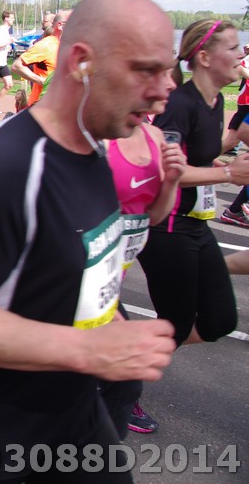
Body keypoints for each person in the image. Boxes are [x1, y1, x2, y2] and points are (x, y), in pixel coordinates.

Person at [0, 0, 177, 483]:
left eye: (168, 71)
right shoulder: (9, 168)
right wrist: (91, 350)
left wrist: (110, 319)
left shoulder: (96, 146)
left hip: (72, 409)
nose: (164, 91)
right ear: (81, 63)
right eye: (146, 70)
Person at [137, 19, 247, 347]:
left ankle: (122, 357)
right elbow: (166, 170)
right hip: (167, 228)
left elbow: (194, 155)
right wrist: (228, 174)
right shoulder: (179, 104)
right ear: (205, 58)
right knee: (177, 326)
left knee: (219, 321)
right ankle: (114, 362)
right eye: (232, 47)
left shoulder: (215, 102)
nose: (241, 54)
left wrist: (218, 161)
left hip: (196, 224)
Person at [103, 76, 184, 436]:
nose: (170, 84)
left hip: (114, 273)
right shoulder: (100, 137)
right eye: (158, 72)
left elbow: (154, 216)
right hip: (80, 276)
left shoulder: (155, 137)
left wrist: (172, 181)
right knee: (124, 380)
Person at [11, 9, 70, 107]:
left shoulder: (65, 45)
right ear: (60, 25)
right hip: (42, 105)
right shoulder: (46, 45)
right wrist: (43, 82)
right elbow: (17, 66)